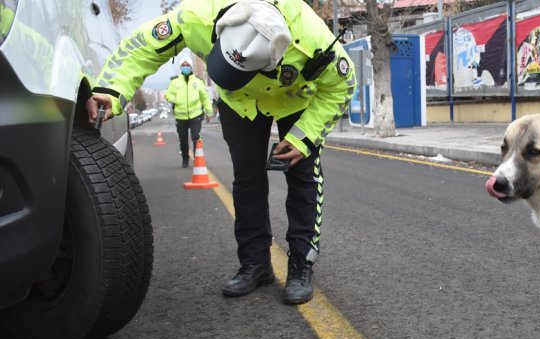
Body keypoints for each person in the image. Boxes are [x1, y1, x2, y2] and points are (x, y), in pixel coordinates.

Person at [87, 0, 356, 304]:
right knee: (247, 178)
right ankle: (255, 264)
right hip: (237, 101)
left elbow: (343, 85)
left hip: (296, 100)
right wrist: (111, 88)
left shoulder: (314, 40)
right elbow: (143, 47)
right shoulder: (196, 15)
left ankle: (300, 264)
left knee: (303, 174)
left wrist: (303, 137)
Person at [165, 57, 213, 167]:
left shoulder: (198, 81)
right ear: (181, 67)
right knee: (183, 140)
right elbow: (168, 94)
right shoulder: (174, 81)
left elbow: (204, 97)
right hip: (181, 116)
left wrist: (209, 112)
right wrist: (175, 99)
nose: (185, 67)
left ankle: (197, 157)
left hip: (196, 114)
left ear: (191, 67)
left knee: (196, 136)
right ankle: (185, 159)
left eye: (187, 65)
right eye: (184, 65)